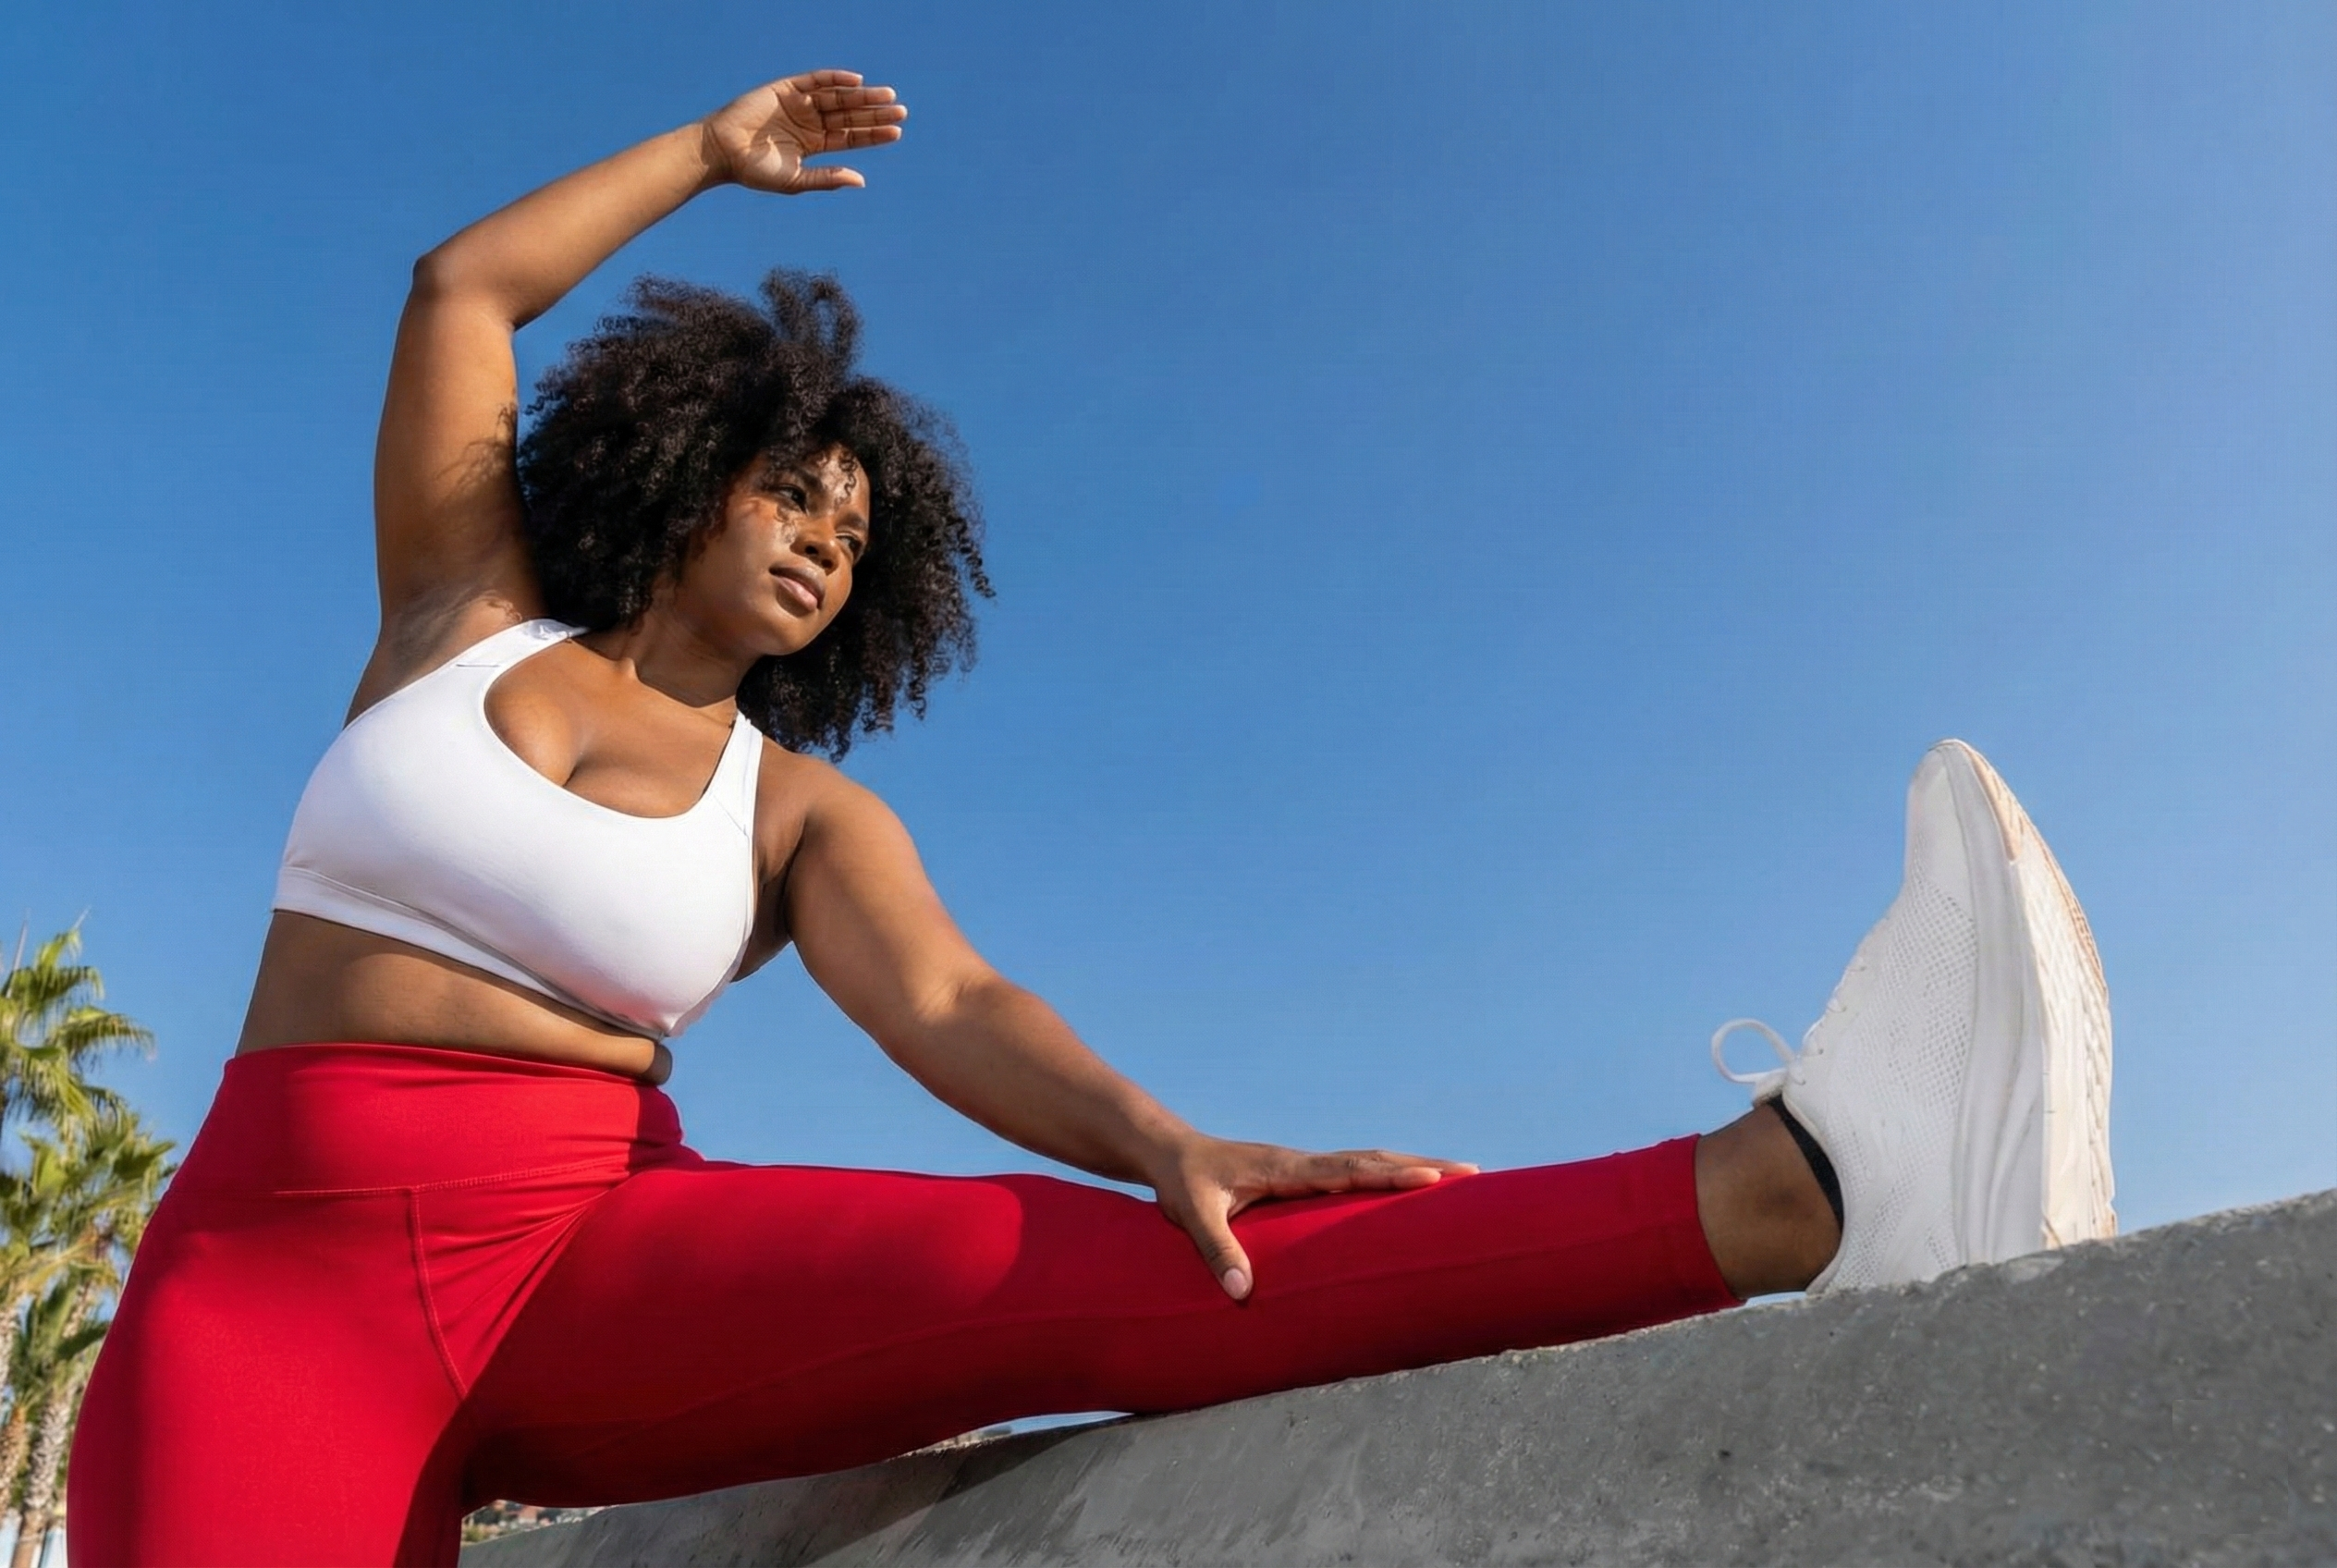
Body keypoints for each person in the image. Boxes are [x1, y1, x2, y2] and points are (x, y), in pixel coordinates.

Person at [67, 69, 2113, 1568]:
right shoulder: (458, 611)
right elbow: (457, 292)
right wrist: (709, 154)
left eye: (857, 534)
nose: (820, 543)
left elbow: (954, 1000)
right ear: (688, 470)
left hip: (595, 1238)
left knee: (1168, 1272)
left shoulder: (797, 814)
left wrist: (1163, 1137)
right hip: (266, 1277)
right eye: (794, 491)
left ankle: (1801, 1183)